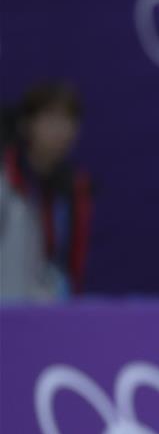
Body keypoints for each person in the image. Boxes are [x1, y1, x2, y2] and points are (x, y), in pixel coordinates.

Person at [0, 81, 92, 302]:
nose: (61, 130)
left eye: (69, 120)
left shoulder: (74, 189)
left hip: (48, 313)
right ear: (26, 124)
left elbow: (71, 261)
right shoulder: (5, 181)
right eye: (51, 120)